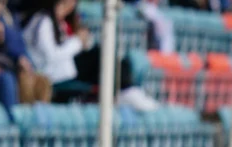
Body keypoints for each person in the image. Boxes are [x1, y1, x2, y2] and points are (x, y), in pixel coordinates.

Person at [23, 0, 158, 110]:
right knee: (98, 57)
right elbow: (51, 56)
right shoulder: (43, 21)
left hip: (67, 67)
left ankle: (127, 89)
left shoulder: (64, 24)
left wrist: (83, 40)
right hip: (53, 72)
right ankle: (124, 91)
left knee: (111, 57)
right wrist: (77, 42)